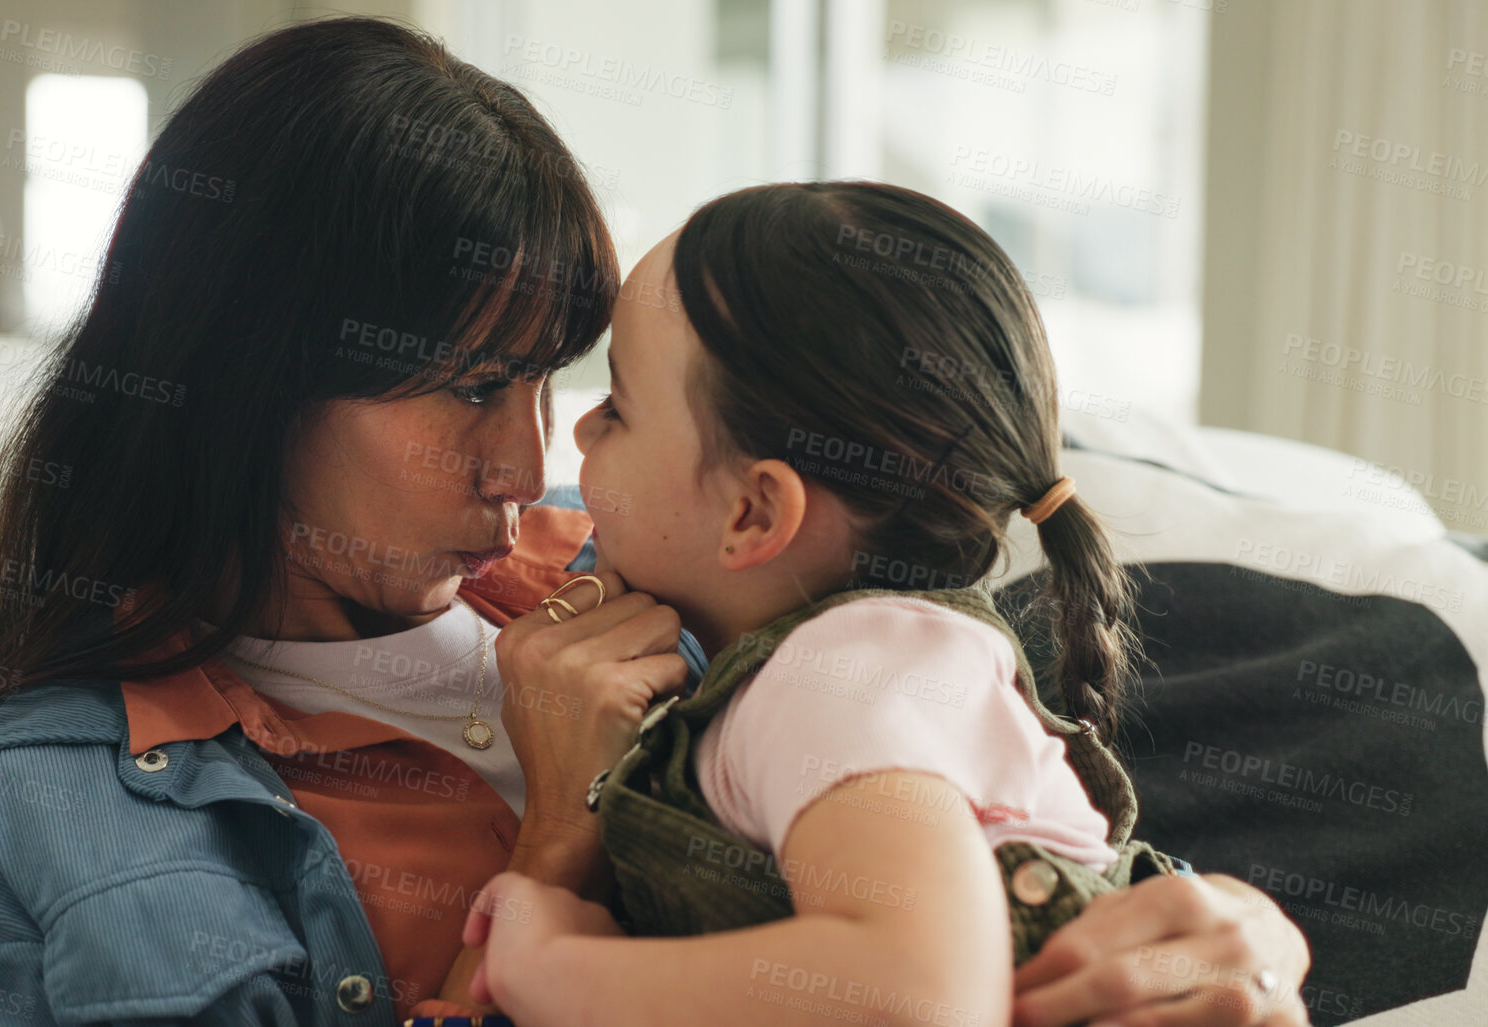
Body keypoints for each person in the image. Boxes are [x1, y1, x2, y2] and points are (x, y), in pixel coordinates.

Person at [0, 17, 1311, 1026]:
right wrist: (552, 848)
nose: (526, 466)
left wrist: (1222, 929)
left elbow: (955, 795)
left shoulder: (649, 556)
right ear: (246, 382)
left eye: (552, 383)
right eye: (467, 389)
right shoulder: (75, 780)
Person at [461, 182, 1314, 1026]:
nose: (570, 439)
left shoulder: (843, 669)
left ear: (753, 512)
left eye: (615, 408)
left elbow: (913, 994)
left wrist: (554, 966)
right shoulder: (860, 671)